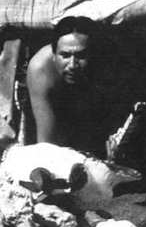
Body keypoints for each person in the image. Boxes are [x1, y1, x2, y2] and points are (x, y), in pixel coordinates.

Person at [26, 16, 105, 153]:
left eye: (81, 56)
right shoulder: (40, 70)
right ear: (54, 55)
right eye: (65, 55)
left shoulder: (105, 65)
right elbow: (47, 144)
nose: (73, 65)